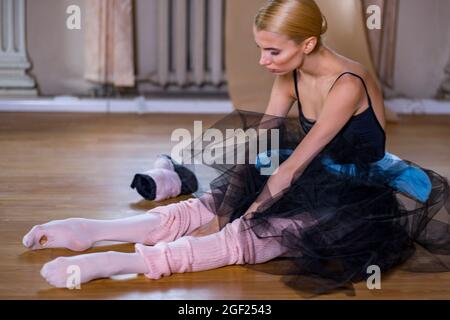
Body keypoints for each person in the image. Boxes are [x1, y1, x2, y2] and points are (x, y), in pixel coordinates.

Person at [22, 0, 450, 295]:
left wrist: (242, 218)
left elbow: (291, 170)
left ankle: (119, 264)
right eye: (261, 49)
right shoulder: (290, 71)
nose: (264, 61)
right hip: (310, 168)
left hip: (357, 190)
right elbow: (265, 138)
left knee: (252, 235)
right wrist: (227, 201)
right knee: (208, 204)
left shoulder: (347, 84)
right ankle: (94, 230)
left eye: (272, 51)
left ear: (307, 44)